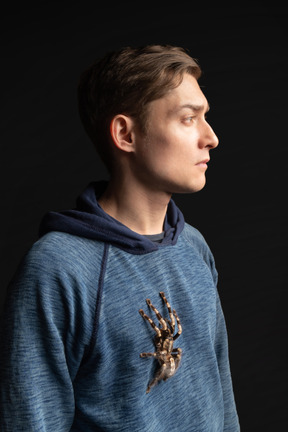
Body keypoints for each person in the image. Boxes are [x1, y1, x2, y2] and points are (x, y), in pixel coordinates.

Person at [0, 45, 240, 431]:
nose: (210, 137)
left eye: (205, 118)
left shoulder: (194, 247)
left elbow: (221, 394)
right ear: (125, 134)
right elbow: (31, 419)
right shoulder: (58, 271)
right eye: (188, 119)